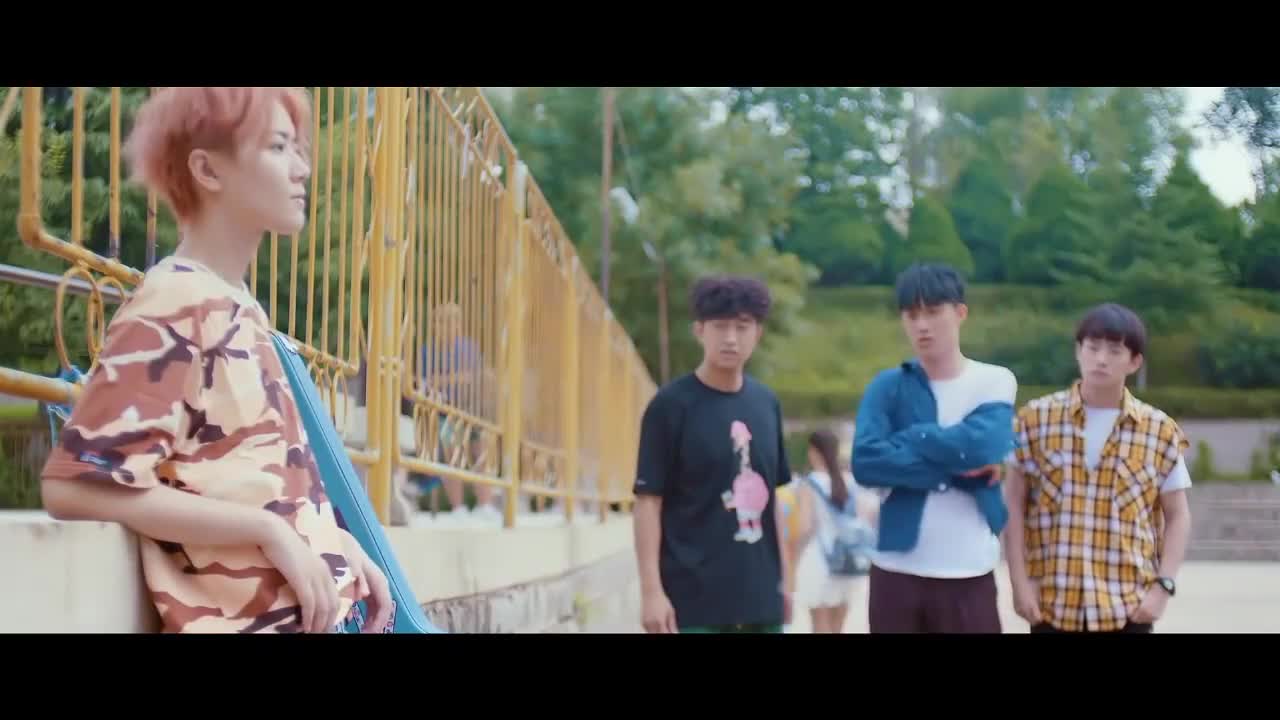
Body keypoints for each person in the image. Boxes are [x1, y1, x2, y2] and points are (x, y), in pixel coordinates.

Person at [38, 87, 392, 633]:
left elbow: (244, 475)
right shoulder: (174, 303)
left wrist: (334, 541)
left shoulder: (238, 306)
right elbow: (75, 484)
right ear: (206, 169)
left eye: (298, 149)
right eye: (278, 147)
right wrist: (267, 531)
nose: (301, 169)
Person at [1004, 303, 1192, 634]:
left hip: (1128, 606)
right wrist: (1019, 583)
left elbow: (1178, 515)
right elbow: (1013, 504)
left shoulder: (1159, 430)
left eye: (1114, 351)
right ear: (1078, 351)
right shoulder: (1035, 420)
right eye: (1092, 348)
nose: (1101, 359)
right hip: (1052, 604)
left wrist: (1163, 587)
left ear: (1134, 362)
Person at [850, 262, 1016, 634]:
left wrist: (910, 438)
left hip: (968, 571)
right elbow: (866, 463)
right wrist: (958, 472)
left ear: (960, 313)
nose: (922, 325)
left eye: (933, 312)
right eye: (912, 315)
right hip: (895, 572)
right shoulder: (887, 386)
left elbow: (982, 448)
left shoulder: (993, 380)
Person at [633, 275, 793, 634]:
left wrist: (784, 578)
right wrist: (651, 592)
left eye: (742, 326)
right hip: (693, 602)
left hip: (761, 598)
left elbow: (774, 499)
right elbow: (648, 502)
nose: (731, 338)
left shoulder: (767, 404)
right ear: (699, 331)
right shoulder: (669, 407)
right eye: (720, 326)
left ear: (758, 333)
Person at [792, 428, 879, 633]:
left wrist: (793, 556)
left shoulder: (809, 483)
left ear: (813, 451)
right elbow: (865, 517)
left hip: (819, 560)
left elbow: (805, 526)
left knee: (820, 624)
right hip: (850, 560)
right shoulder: (850, 481)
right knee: (838, 626)